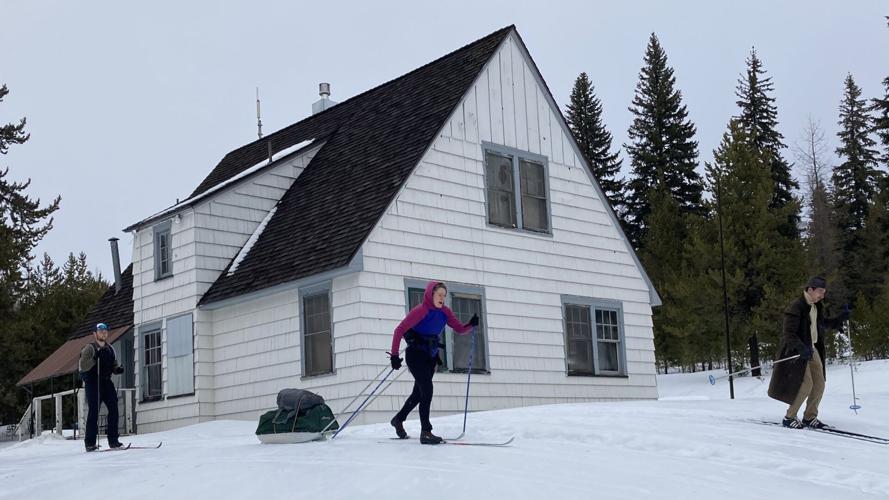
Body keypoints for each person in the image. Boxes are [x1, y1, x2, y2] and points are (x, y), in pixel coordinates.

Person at [389, 281, 479, 444]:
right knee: (427, 389)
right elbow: (399, 330)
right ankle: (426, 432)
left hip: (430, 357)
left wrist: (470, 325)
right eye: (439, 295)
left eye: (444, 295)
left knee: (418, 394)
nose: (442, 298)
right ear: (431, 294)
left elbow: (459, 329)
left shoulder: (445, 312)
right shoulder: (421, 310)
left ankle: (398, 419)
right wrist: (394, 355)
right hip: (415, 355)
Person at [768, 276, 849, 429]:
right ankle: (789, 417)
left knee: (819, 383)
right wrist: (801, 348)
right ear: (810, 289)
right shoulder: (796, 306)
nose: (822, 296)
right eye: (820, 292)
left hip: (811, 348)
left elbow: (821, 323)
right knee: (806, 384)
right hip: (797, 350)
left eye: (824, 292)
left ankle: (809, 417)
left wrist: (838, 320)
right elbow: (789, 334)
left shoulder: (816, 306)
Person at [79, 322, 125, 451]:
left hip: (106, 381)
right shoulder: (90, 348)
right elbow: (83, 365)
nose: (104, 332)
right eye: (100, 330)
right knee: (94, 411)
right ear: (95, 334)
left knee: (114, 408)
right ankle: (90, 443)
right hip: (93, 382)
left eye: (105, 331)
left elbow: (113, 365)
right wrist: (95, 358)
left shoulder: (110, 349)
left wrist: (118, 369)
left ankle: (113, 441)